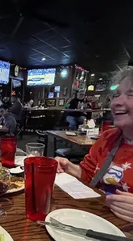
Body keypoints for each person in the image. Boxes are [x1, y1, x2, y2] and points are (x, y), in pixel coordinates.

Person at [56, 67, 133, 222]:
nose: (116, 102)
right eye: (116, 95)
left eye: (131, 94)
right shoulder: (108, 137)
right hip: (95, 220)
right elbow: (90, 175)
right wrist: (69, 166)